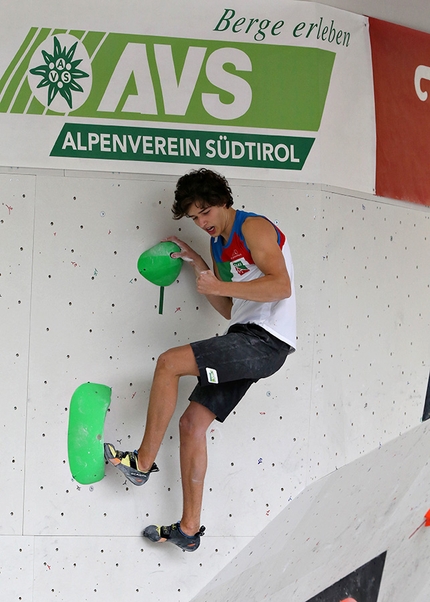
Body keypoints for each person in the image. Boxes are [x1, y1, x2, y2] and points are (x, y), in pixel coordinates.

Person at [104, 168, 296, 552]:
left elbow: (281, 285)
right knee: (192, 424)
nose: (202, 222)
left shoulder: (253, 228)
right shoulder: (219, 246)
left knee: (168, 362)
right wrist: (199, 266)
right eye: (194, 217)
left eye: (205, 211)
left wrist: (219, 282)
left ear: (224, 201)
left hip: (267, 341)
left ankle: (141, 463)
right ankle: (189, 530)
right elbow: (230, 309)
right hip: (244, 337)